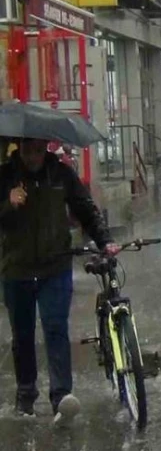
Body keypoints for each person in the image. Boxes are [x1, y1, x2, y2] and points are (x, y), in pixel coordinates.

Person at [0, 138, 119, 424]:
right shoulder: (5, 176)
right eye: (28, 151)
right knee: (23, 335)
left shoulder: (61, 174)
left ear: (46, 148)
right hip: (17, 269)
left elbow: (84, 208)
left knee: (55, 328)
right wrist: (8, 204)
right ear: (20, 148)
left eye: (38, 150)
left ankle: (61, 396)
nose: (33, 157)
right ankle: (26, 396)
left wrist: (105, 240)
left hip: (56, 266)